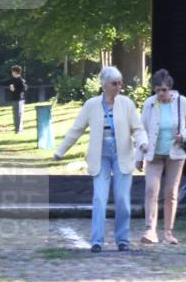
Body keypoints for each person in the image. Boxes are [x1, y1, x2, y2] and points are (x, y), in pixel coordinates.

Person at [52, 67, 148, 252]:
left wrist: (143, 143)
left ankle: (123, 239)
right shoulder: (91, 105)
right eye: (114, 83)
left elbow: (138, 128)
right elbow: (76, 129)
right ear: (104, 85)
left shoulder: (127, 104)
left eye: (120, 82)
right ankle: (97, 241)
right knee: (99, 198)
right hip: (100, 156)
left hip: (122, 155)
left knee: (122, 200)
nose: (119, 86)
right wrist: (60, 151)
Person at [135, 69, 186, 244]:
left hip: (175, 153)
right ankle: (150, 230)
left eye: (163, 90)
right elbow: (141, 130)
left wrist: (184, 135)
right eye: (157, 90)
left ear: (169, 88)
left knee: (171, 192)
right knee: (151, 190)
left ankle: (169, 232)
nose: (160, 94)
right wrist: (139, 156)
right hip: (154, 153)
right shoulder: (149, 103)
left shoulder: (182, 102)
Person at [0, 66, 28, 133]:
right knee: (16, 114)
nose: (12, 73)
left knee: (18, 115)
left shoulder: (21, 80)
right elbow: (4, 82)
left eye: (12, 71)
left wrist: (15, 90)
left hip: (20, 100)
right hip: (14, 99)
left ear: (15, 72)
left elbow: (24, 89)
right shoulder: (12, 80)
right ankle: (18, 129)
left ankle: (18, 130)